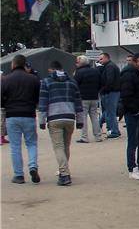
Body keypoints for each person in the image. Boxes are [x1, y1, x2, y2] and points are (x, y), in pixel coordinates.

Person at [38, 61, 83, 186]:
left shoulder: (46, 82)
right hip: (69, 117)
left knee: (58, 146)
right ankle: (64, 170)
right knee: (66, 146)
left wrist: (41, 120)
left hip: (54, 117)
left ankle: (64, 174)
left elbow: (43, 102)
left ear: (50, 69)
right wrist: (80, 120)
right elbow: (78, 102)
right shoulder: (72, 82)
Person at [1, 54, 41, 184]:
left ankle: (18, 175)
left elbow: (1, 98)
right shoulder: (33, 79)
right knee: (31, 143)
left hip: (12, 115)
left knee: (15, 146)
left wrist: (5, 105)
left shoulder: (5, 80)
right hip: (29, 114)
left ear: (13, 64)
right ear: (25, 64)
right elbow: (37, 97)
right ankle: (33, 166)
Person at [73, 55, 103, 143]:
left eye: (77, 62)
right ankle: (98, 136)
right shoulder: (95, 71)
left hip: (83, 98)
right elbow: (101, 83)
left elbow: (75, 85)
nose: (76, 64)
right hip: (94, 97)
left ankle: (84, 137)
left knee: (83, 117)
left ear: (80, 63)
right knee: (94, 117)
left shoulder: (79, 72)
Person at [98, 53, 121, 138]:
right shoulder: (109, 66)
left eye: (101, 59)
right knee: (108, 111)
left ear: (107, 58)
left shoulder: (110, 67)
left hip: (111, 92)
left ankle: (114, 131)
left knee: (110, 112)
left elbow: (109, 80)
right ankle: (105, 127)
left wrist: (104, 89)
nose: (100, 61)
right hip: (112, 91)